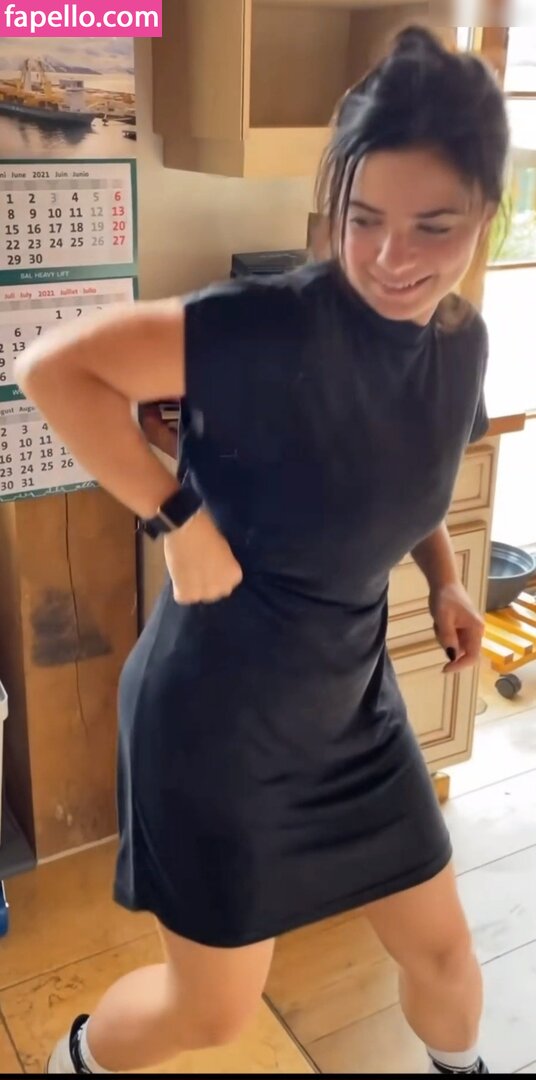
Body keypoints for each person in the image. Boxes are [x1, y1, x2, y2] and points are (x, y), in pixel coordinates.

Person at [17, 25, 509, 1076]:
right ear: (335, 204)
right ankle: (76, 1061)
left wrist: (443, 577)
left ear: (484, 214)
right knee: (211, 1011)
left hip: (352, 711)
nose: (392, 258)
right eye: (364, 219)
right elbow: (52, 370)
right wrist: (177, 517)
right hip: (217, 725)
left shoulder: (458, 344)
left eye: (433, 226)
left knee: (444, 957)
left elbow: (402, 471)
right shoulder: (257, 328)